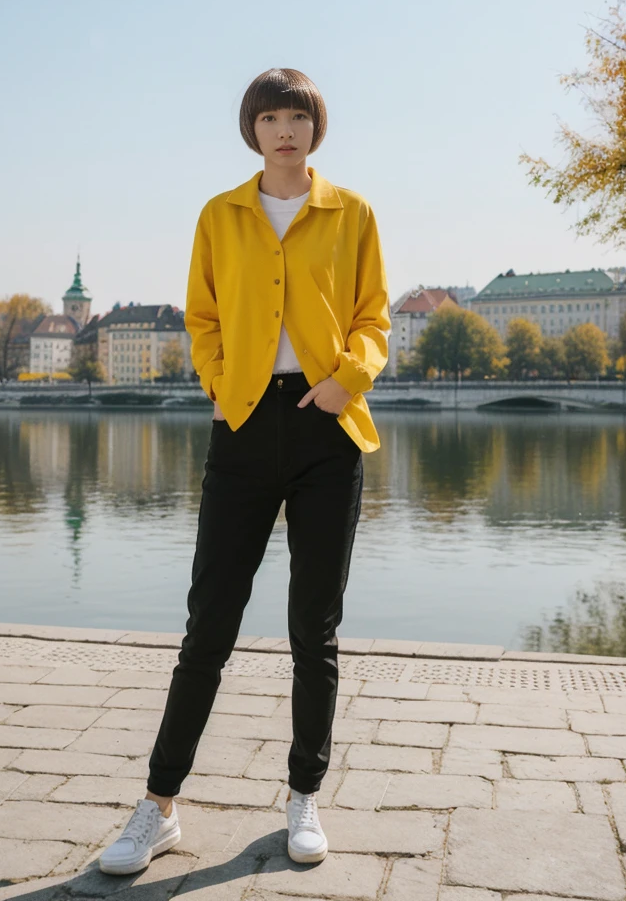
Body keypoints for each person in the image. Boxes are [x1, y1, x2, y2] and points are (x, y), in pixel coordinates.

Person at [99, 68, 391, 875]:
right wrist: (228, 389)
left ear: (314, 128)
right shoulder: (220, 214)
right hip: (243, 424)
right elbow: (202, 317)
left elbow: (375, 317)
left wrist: (344, 383)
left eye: (297, 116)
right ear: (252, 130)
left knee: (314, 629)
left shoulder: (352, 212)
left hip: (329, 428)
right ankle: (156, 807)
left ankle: (304, 796)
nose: (285, 129)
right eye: (270, 117)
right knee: (209, 626)